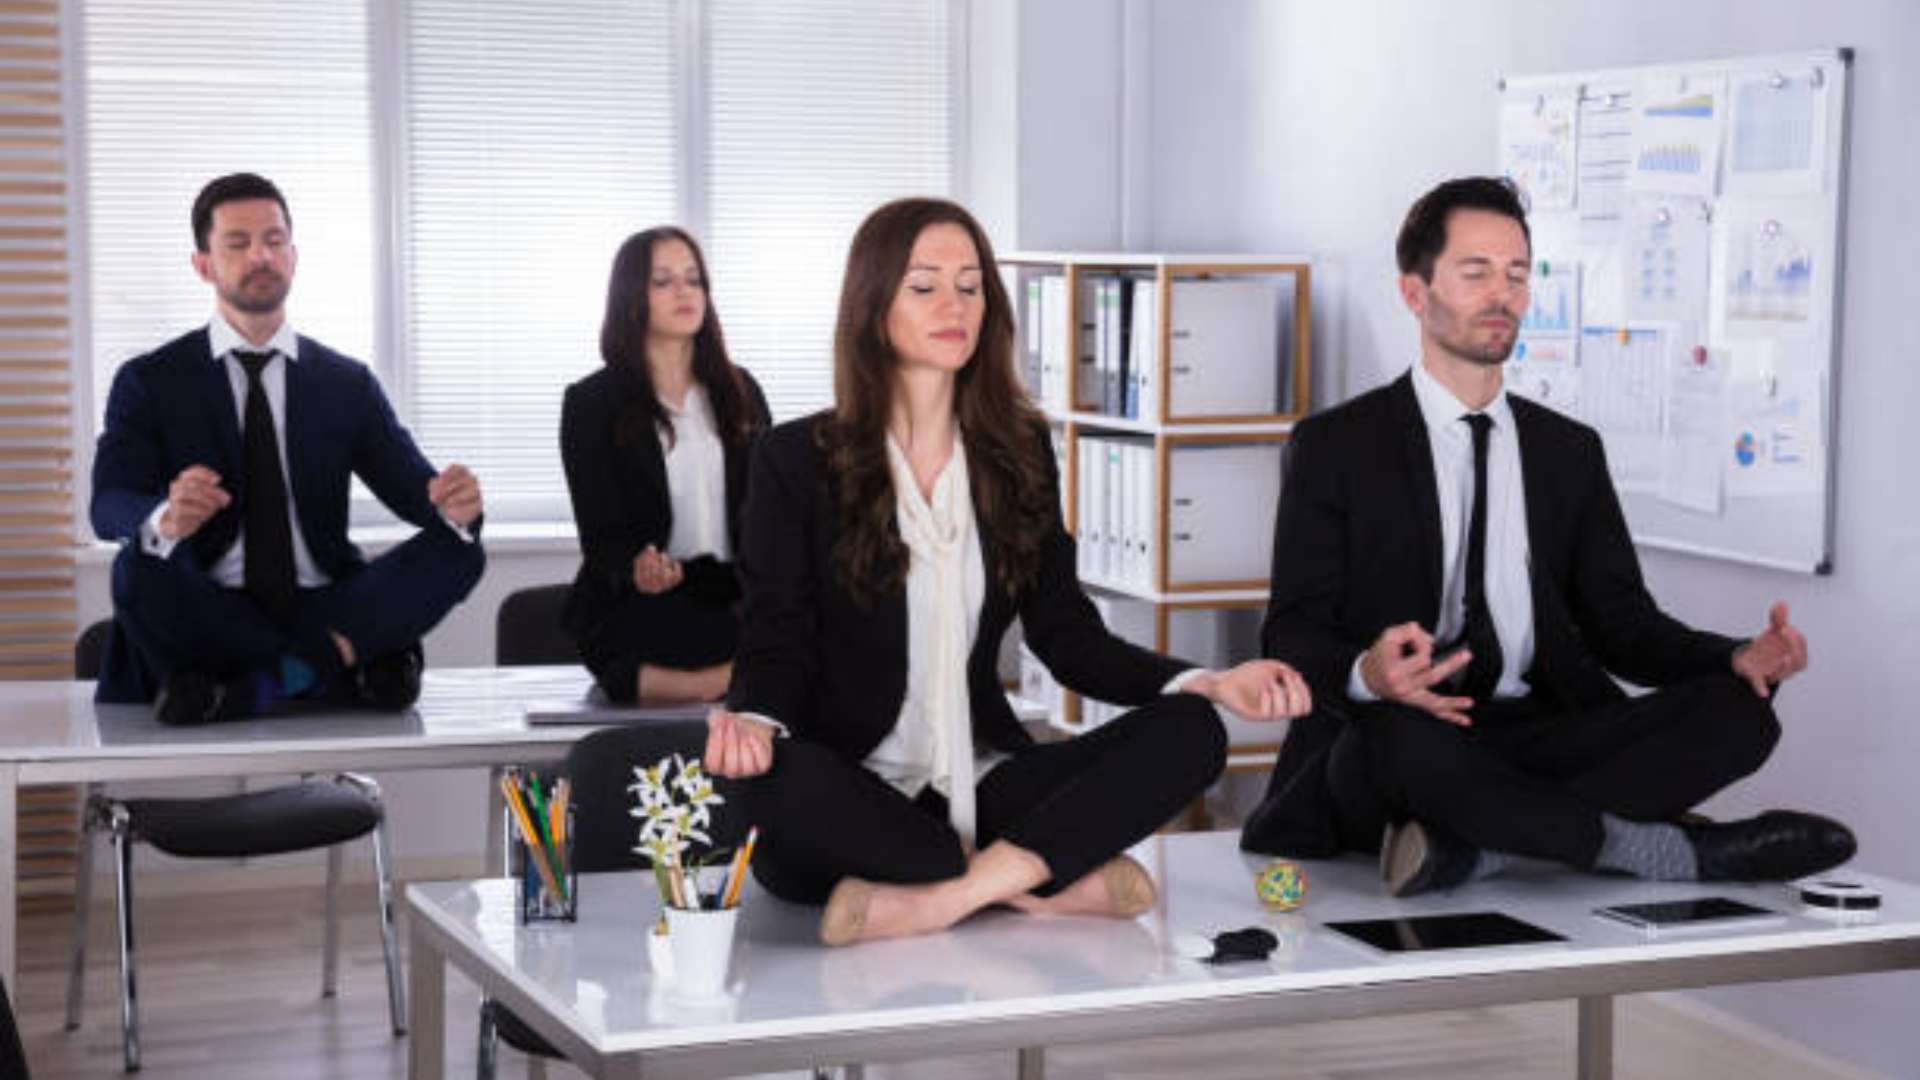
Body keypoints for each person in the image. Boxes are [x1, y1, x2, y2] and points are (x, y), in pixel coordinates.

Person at [702, 197, 1312, 946]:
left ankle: (940, 899)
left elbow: (1067, 636)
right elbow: (777, 637)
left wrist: (1207, 681)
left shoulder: (1017, 451)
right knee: (765, 783)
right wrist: (753, 722)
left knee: (1193, 731)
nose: (954, 305)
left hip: (981, 782)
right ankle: (1037, 883)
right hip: (854, 786)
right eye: (924, 286)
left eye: (971, 284)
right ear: (873, 305)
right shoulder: (795, 460)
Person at [1241, 176, 1854, 895]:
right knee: (1405, 740)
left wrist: (1737, 657)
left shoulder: (1568, 452)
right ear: (1415, 292)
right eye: (1475, 273)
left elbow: (1624, 627)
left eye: (1517, 275)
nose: (1502, 294)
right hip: (1398, 735)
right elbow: (1291, 632)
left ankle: (1480, 845)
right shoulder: (1336, 446)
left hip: (1537, 731)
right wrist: (1369, 673)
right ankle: (1664, 849)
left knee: (1738, 716)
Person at [90, 172, 486, 724]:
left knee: (460, 548)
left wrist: (454, 505)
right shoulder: (150, 380)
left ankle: (258, 687)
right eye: (238, 243)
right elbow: (107, 504)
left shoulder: (345, 382)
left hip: (324, 603)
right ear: (203, 264)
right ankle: (332, 669)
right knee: (137, 566)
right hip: (212, 605)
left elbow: (417, 493)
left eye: (274, 242)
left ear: (293, 257)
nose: (261, 256)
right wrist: (165, 515)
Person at [560, 228, 770, 704]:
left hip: (726, 590)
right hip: (646, 597)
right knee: (649, 629)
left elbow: (768, 509)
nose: (684, 291)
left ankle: (683, 683)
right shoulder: (592, 402)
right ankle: (723, 680)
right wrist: (638, 567)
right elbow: (601, 535)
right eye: (664, 281)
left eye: (694, 279)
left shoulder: (742, 392)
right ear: (632, 296)